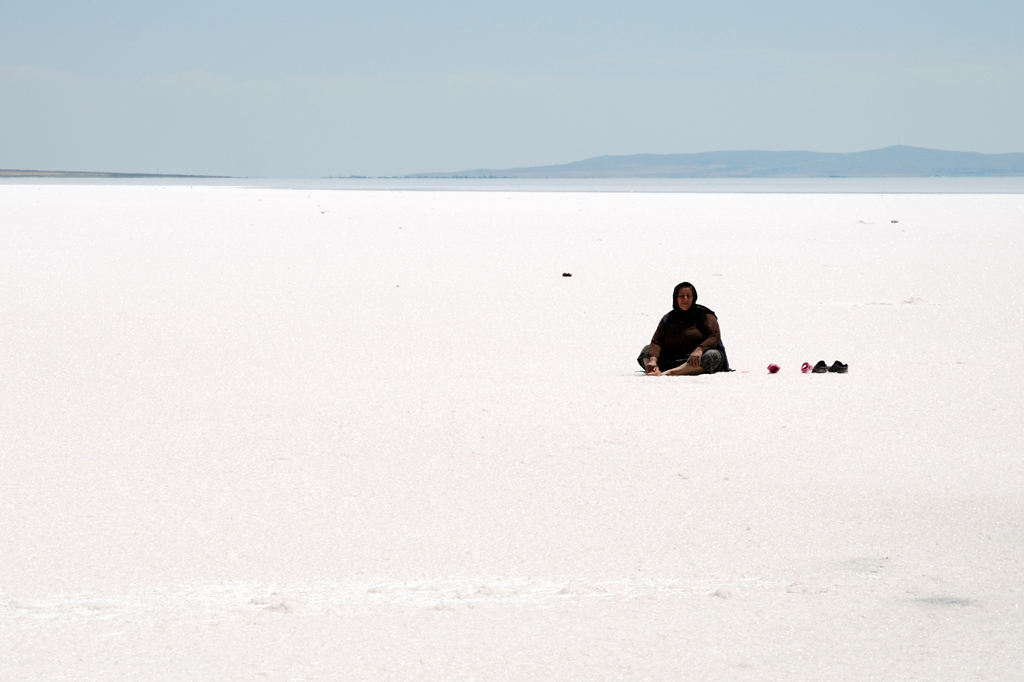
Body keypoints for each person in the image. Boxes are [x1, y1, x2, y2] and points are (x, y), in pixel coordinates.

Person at [638, 282, 729, 376]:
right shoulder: (668, 318)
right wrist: (653, 360)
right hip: (671, 359)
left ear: (693, 298)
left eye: (688, 296)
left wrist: (699, 350)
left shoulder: (704, 315)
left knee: (712, 355)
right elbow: (657, 341)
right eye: (681, 296)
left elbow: (714, 335)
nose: (685, 299)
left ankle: (671, 372)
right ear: (675, 298)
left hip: (695, 359)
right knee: (647, 350)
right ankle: (654, 370)